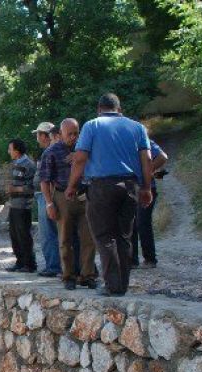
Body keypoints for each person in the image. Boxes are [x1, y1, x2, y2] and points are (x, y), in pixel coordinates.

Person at [67, 93, 154, 296]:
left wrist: (72, 185)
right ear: (119, 109)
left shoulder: (92, 126)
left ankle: (112, 285)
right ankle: (122, 284)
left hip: (101, 187)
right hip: (130, 186)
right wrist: (146, 187)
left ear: (99, 109)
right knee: (124, 236)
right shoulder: (137, 127)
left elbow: (80, 159)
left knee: (104, 236)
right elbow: (147, 159)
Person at [40, 119, 98, 290]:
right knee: (65, 238)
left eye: (76, 133)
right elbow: (45, 180)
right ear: (61, 134)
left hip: (85, 195)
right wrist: (49, 204)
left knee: (89, 238)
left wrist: (81, 157)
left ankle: (87, 275)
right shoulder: (51, 152)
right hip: (62, 196)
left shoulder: (85, 149)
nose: (73, 137)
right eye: (70, 134)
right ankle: (68, 276)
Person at [132, 139, 168, 269]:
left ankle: (150, 259)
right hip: (132, 188)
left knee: (142, 222)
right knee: (132, 223)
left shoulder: (142, 141)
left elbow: (163, 157)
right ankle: (132, 260)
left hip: (145, 188)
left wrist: (147, 171)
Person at [32, 122, 62, 278]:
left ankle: (53, 266)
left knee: (48, 233)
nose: (37, 139)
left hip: (48, 197)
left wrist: (50, 201)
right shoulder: (57, 151)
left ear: (44, 135)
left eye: (38, 135)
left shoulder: (50, 152)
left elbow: (47, 179)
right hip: (49, 197)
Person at [5, 139, 37, 273]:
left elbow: (33, 186)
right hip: (14, 205)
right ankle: (19, 262)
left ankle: (29, 264)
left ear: (17, 151)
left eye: (10, 149)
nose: (8, 152)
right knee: (14, 235)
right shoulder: (16, 164)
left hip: (24, 206)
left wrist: (16, 190)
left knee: (24, 235)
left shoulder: (28, 165)